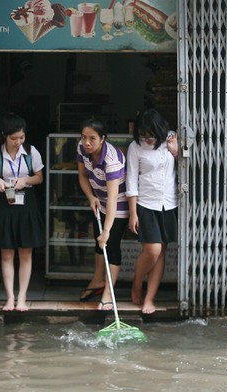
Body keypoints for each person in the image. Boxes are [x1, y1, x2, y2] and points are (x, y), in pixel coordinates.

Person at [0, 113, 45, 312]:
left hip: (26, 203)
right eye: (14, 138)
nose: (18, 142)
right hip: (6, 203)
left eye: (21, 137)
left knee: (26, 252)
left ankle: (22, 297)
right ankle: (9, 298)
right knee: (6, 254)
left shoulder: (31, 152)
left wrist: (25, 180)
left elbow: (39, 178)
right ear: (5, 135)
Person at [126, 108, 178, 314]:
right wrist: (133, 213)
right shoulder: (135, 147)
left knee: (161, 252)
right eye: (142, 134)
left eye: (150, 134)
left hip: (169, 203)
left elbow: (188, 166)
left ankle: (150, 298)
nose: (146, 138)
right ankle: (137, 283)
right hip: (147, 204)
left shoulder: (171, 139)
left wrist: (175, 151)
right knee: (152, 250)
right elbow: (131, 179)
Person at [77, 118, 129, 310]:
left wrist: (107, 230)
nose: (87, 142)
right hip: (99, 199)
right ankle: (98, 280)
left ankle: (108, 293)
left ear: (103, 139)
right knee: (98, 242)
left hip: (119, 204)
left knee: (110, 244)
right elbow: (82, 175)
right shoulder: (82, 149)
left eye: (92, 139)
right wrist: (91, 197)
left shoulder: (111, 160)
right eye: (84, 137)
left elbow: (114, 199)